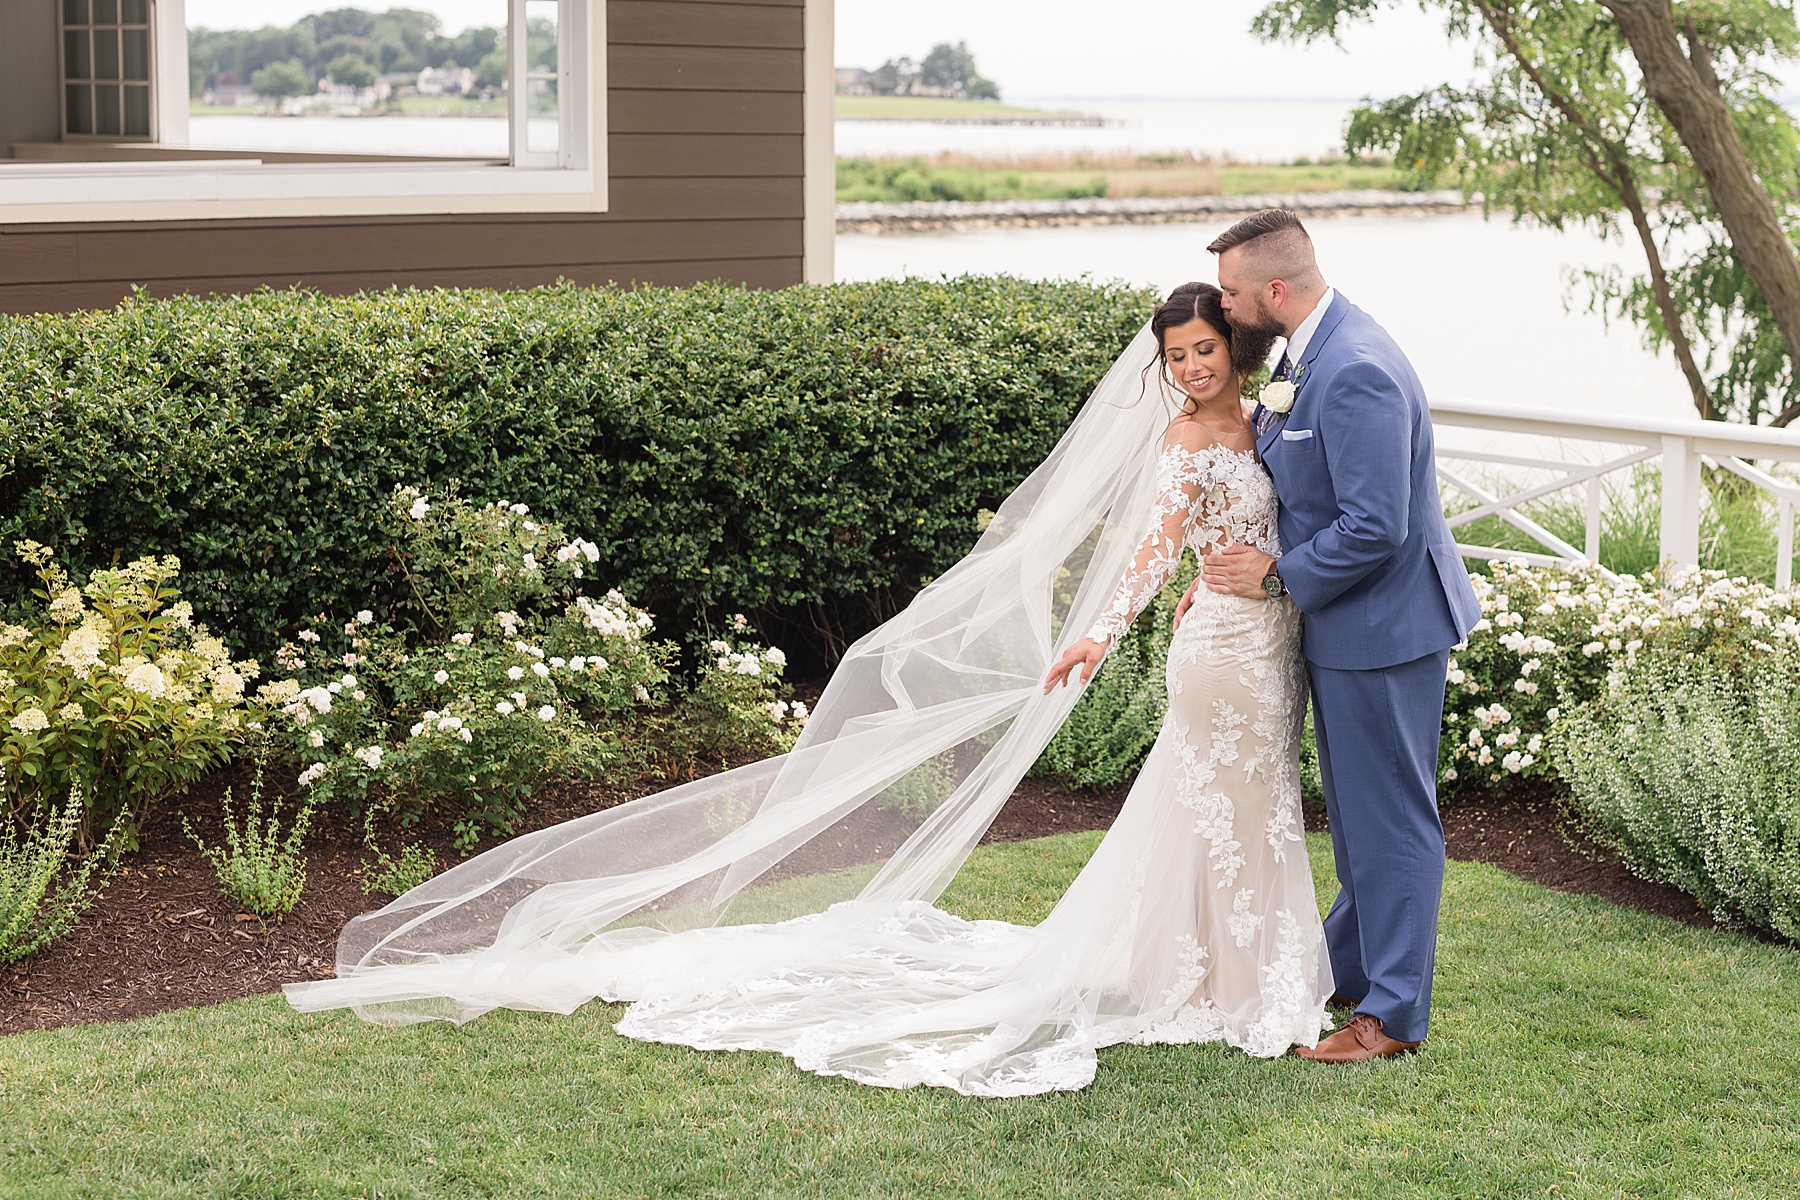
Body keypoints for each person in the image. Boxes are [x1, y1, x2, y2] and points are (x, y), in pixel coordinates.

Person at [286, 283, 1333, 1098]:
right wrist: (1096, 637)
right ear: (1162, 370)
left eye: (1203, 351)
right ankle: (1240, 987)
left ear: (1231, 349)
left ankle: (1211, 973)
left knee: (1240, 809)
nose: (1192, 369)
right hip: (1217, 652)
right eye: (1176, 358)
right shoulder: (1188, 440)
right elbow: (1149, 556)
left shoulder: (1271, 415)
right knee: (1222, 804)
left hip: (1268, 639)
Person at [1177, 209, 1480, 1062]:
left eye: (1233, 294)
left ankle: (1390, 1018)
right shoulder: (1305, 352)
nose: (1225, 309)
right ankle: (1343, 965)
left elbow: (1377, 526)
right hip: (1345, 628)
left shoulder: (1354, 369)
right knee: (1357, 819)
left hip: (1385, 630)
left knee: (1392, 823)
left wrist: (1274, 576)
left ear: (1275, 290)